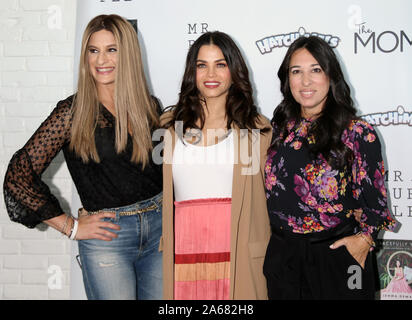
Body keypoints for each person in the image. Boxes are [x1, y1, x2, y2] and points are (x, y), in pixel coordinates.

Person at [3, 14, 163, 300]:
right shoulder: (71, 113)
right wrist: (70, 226)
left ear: (127, 54)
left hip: (161, 233)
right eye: (93, 50)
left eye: (111, 49)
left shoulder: (149, 106)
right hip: (108, 238)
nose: (101, 60)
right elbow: (18, 176)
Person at [263, 36, 398, 300]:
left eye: (316, 70)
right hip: (283, 257)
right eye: (296, 71)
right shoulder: (279, 128)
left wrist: (364, 240)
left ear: (331, 75)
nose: (305, 81)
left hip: (336, 256)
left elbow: (375, 204)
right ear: (286, 79)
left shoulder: (358, 133)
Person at [160, 31, 272, 300]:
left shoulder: (256, 130)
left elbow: (276, 198)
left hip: (238, 254)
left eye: (221, 64)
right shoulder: (168, 127)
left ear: (234, 71)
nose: (211, 74)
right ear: (192, 72)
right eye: (202, 65)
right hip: (182, 254)